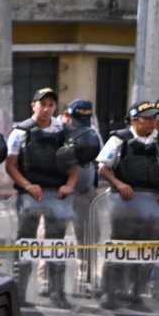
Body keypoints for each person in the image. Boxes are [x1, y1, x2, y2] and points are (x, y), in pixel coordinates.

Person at [96, 101, 159, 310]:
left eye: (155, 118)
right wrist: (118, 183)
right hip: (124, 203)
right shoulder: (119, 139)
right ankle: (110, 291)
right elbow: (103, 168)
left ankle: (136, 293)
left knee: (146, 252)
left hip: (154, 205)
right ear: (134, 119)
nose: (154, 122)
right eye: (148, 118)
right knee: (119, 248)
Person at [5, 88, 79, 308]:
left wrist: (69, 185)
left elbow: (75, 165)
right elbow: (11, 165)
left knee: (56, 244)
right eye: (42, 104)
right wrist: (27, 185)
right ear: (33, 105)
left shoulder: (66, 132)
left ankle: (57, 293)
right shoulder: (20, 131)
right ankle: (19, 294)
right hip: (30, 196)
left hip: (58, 195)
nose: (47, 109)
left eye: (51, 105)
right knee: (26, 244)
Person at [61, 99, 100, 287]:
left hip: (86, 192)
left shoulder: (92, 133)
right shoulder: (59, 132)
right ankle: (49, 280)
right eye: (77, 118)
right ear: (67, 116)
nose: (81, 123)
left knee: (88, 236)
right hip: (63, 192)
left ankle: (86, 276)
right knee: (53, 238)